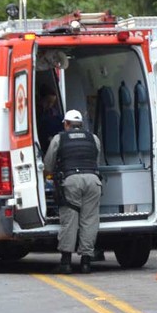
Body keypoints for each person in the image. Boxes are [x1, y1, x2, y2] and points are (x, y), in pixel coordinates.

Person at [43, 109, 104, 274]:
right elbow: (95, 161)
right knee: (90, 220)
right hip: (93, 180)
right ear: (81, 124)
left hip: (71, 181)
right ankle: (86, 263)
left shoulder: (59, 138)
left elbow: (48, 164)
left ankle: (66, 263)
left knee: (70, 221)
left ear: (66, 124)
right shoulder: (94, 138)